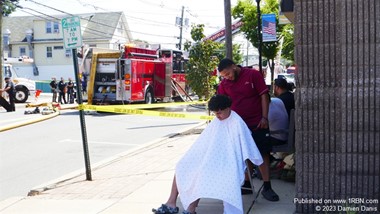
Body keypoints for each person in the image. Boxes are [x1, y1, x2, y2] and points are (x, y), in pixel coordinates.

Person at [152, 95, 263, 214]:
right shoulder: (217, 121)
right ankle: (171, 203)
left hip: (228, 161)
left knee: (202, 171)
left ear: (227, 108)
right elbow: (205, 142)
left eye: (220, 113)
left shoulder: (237, 122)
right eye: (215, 113)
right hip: (211, 156)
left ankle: (191, 209)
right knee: (182, 165)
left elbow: (247, 144)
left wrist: (255, 160)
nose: (218, 116)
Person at [217, 58, 279, 201]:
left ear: (234, 66)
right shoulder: (224, 84)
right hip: (238, 126)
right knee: (242, 155)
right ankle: (246, 185)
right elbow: (221, 103)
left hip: (257, 123)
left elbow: (264, 96)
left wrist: (264, 117)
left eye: (228, 73)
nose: (227, 77)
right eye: (224, 76)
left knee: (262, 153)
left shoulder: (252, 75)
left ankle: (267, 186)